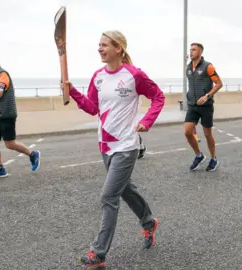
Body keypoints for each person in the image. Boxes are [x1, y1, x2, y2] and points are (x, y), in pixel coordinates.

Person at [62, 30, 165, 268]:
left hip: (127, 145)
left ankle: (98, 253)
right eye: (98, 44)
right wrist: (73, 91)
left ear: (118, 48)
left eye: (104, 44)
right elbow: (91, 108)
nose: (99, 48)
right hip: (105, 145)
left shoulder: (134, 75)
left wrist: (147, 121)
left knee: (109, 196)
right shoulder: (98, 76)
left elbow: (158, 97)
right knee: (125, 190)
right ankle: (149, 222)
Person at [184, 43, 222, 171]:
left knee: (207, 134)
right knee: (188, 132)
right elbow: (191, 78)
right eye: (190, 50)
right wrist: (186, 63)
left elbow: (219, 83)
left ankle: (213, 158)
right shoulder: (188, 67)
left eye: (194, 50)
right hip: (192, 105)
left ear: (200, 52)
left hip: (206, 106)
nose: (191, 52)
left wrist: (207, 96)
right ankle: (199, 155)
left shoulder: (208, 66)